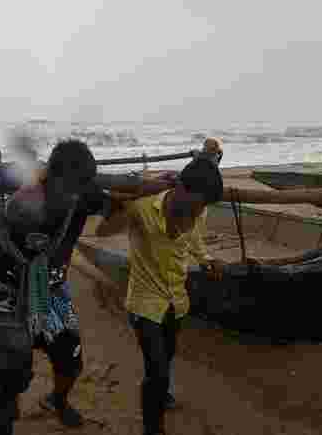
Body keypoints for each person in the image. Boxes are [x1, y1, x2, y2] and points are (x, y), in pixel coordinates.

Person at [0, 139, 116, 434]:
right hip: (2, 294)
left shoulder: (83, 195)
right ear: (49, 175)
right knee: (1, 387)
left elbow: (125, 200)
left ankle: (57, 400)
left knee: (71, 363)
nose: (68, 196)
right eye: (64, 187)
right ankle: (2, 407)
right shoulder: (20, 189)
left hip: (52, 294)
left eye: (77, 190)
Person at [95, 153, 225, 435]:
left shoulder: (199, 210)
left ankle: (161, 394)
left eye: (202, 207)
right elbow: (102, 230)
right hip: (144, 302)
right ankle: (153, 428)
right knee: (156, 370)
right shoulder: (140, 208)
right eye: (195, 205)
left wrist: (206, 260)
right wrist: (122, 206)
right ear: (181, 189)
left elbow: (194, 241)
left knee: (167, 355)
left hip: (176, 301)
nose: (197, 213)